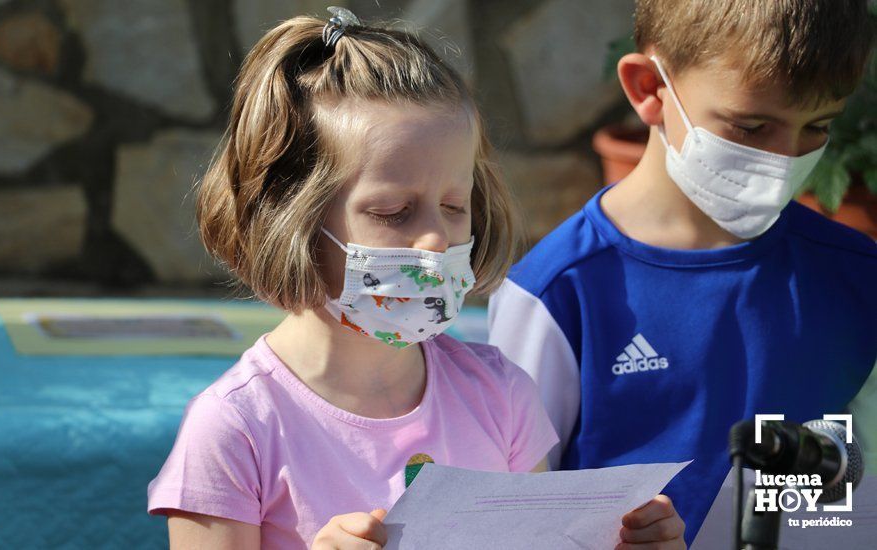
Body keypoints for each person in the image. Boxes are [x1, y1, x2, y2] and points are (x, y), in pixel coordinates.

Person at [147, 10, 686, 550]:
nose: (436, 239)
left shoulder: (500, 396)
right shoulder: (234, 429)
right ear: (290, 219)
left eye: (454, 205)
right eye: (394, 211)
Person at [488, 0, 877, 545]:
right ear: (649, 88)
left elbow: (850, 494)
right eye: (752, 126)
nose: (785, 159)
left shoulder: (857, 278)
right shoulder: (556, 293)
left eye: (817, 126)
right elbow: (511, 517)